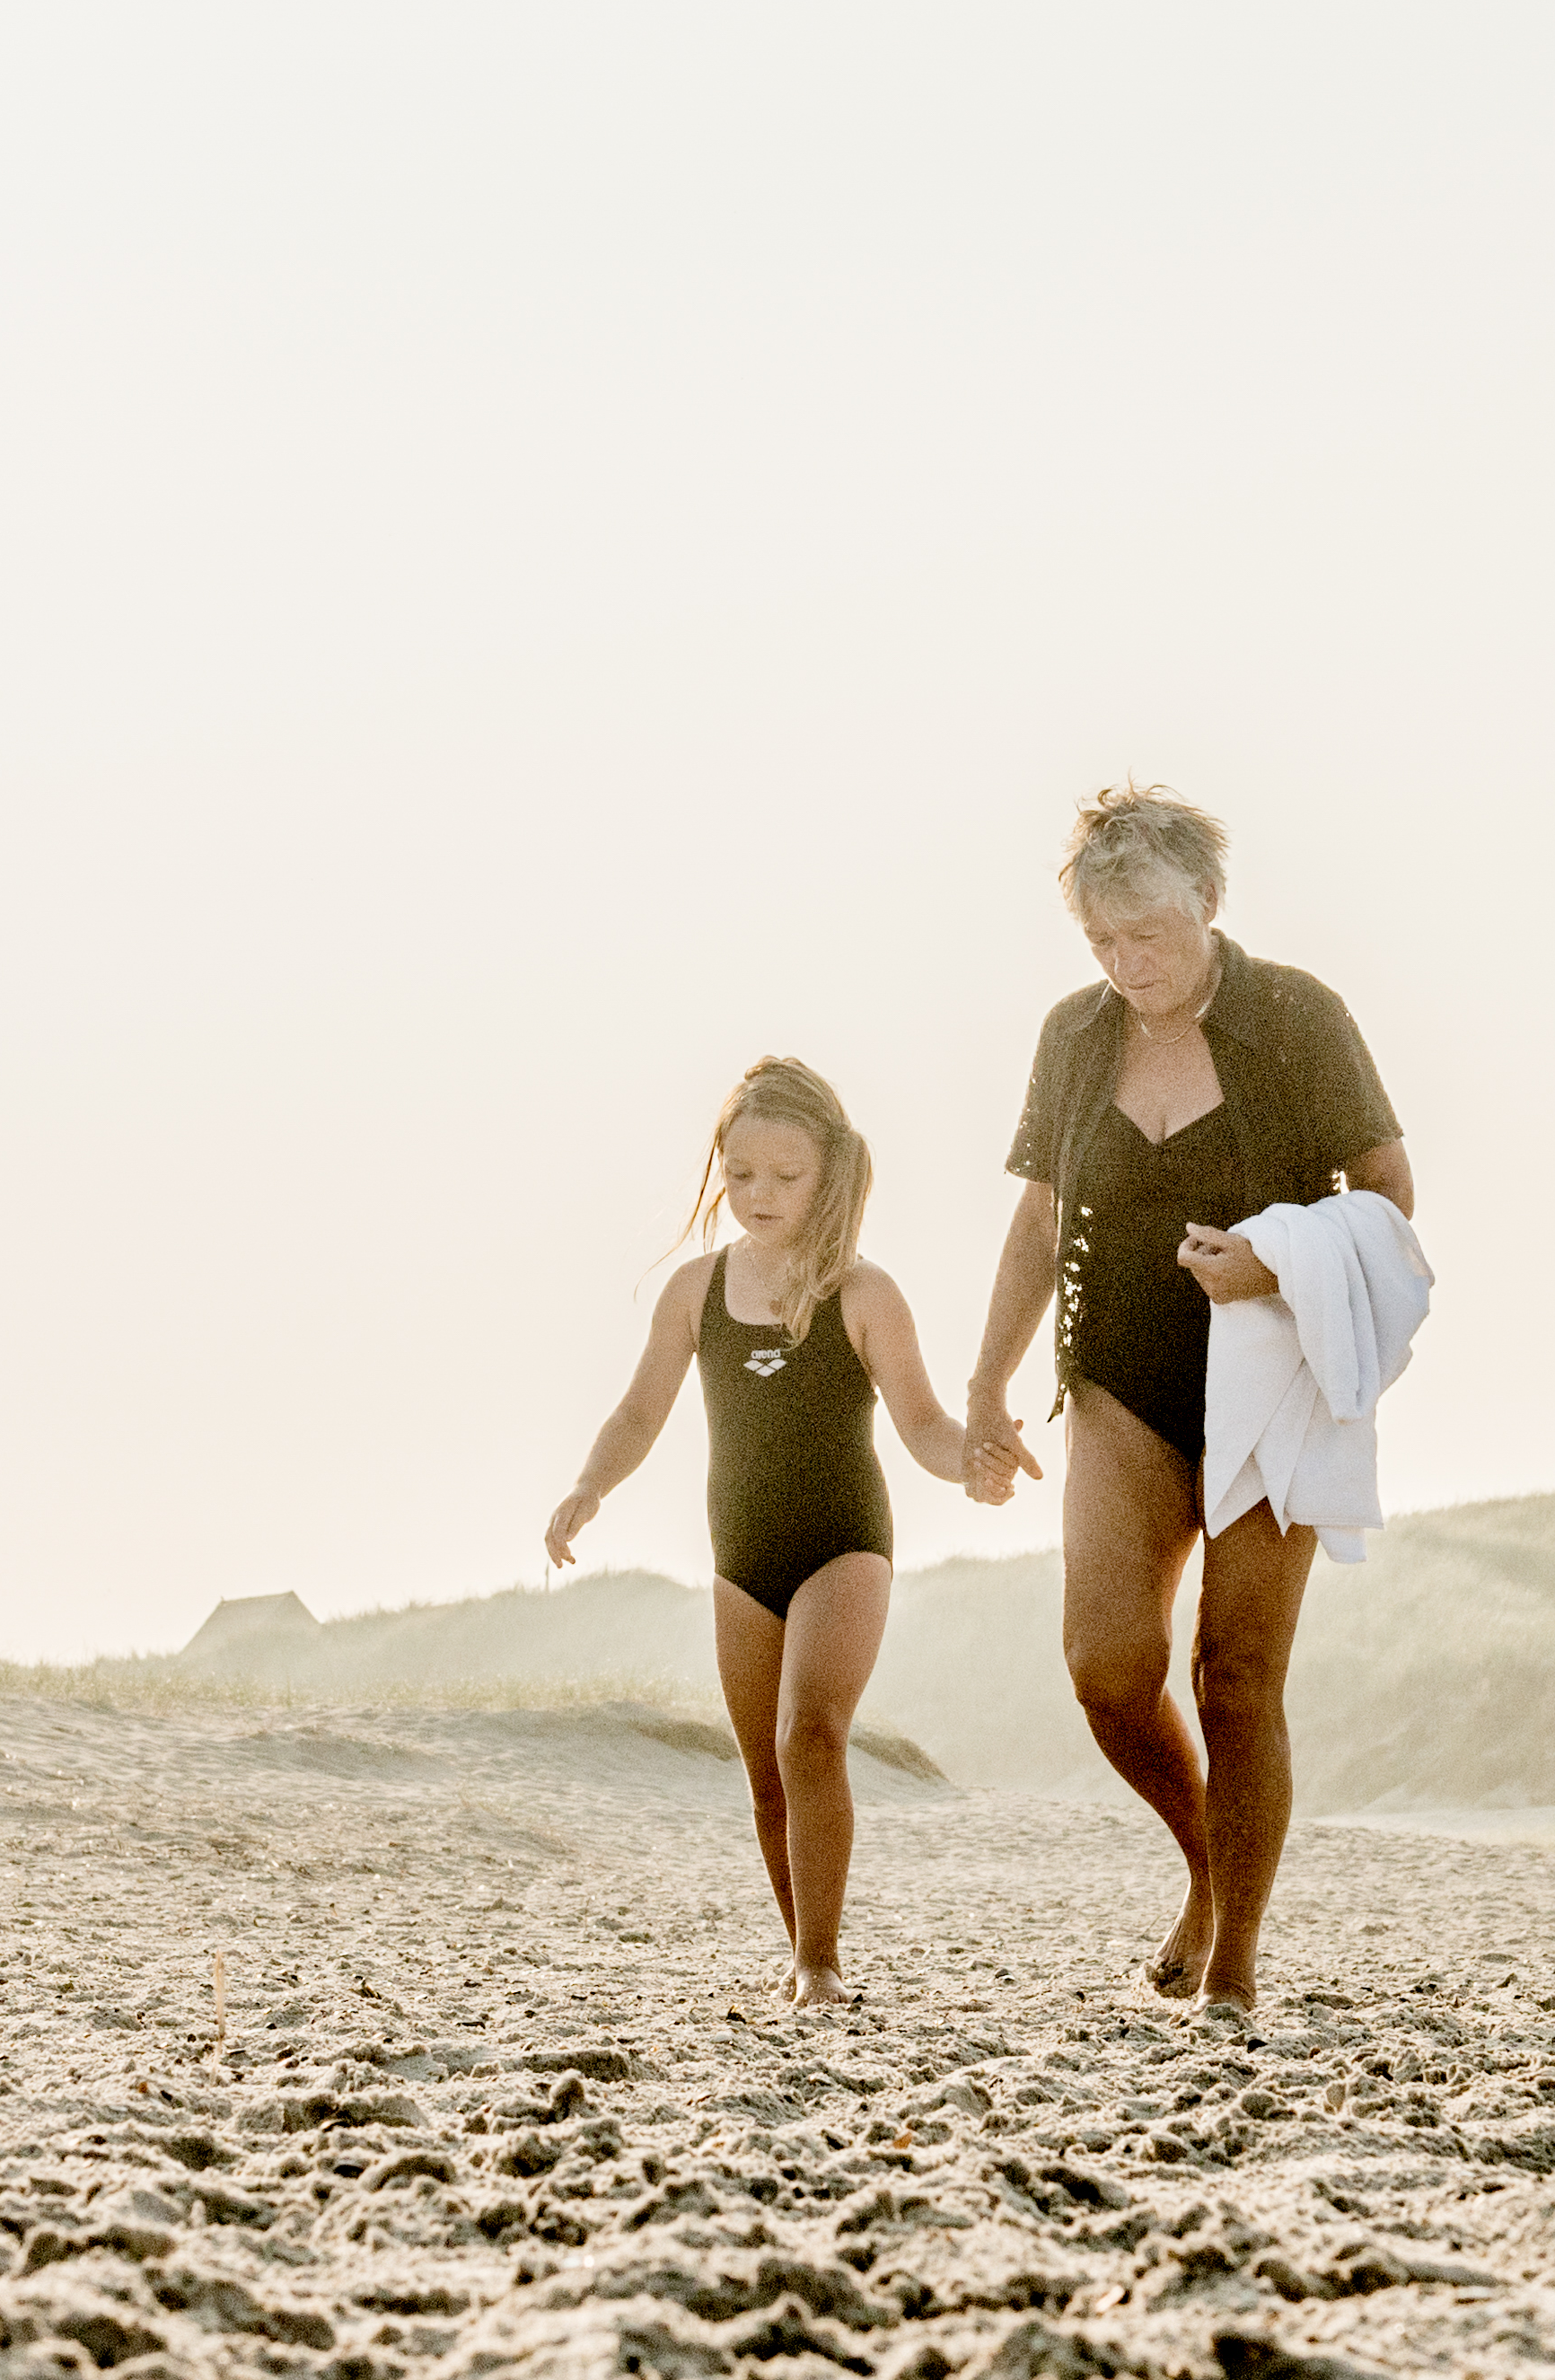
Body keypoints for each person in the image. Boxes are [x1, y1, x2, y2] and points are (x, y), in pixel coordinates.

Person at [956, 788, 1413, 2033]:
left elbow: (1388, 1195)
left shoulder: (1299, 1017)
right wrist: (989, 1384)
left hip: (1277, 1380)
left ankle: (1234, 1963)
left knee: (1235, 1674)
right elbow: (1039, 1219)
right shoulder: (1076, 1036)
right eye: (1102, 939)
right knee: (1109, 1667)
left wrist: (1275, 1264)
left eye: (1148, 930)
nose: (1128, 962)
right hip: (1118, 1378)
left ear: (1207, 901)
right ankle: (1206, 1860)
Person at [548, 1059, 1017, 2009]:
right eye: (740, 1174)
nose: (757, 1196)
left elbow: (922, 1421)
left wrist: (969, 1459)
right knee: (765, 1769)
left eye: (784, 1177)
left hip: (844, 1541)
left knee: (811, 1735)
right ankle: (800, 1948)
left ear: (831, 1174)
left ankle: (820, 1964)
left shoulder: (863, 1292)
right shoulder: (694, 1291)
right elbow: (639, 1413)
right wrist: (589, 1486)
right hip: (741, 1554)